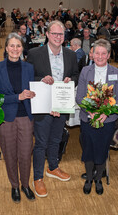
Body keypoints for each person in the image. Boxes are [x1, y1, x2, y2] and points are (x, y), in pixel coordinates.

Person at [27, 20, 79, 197]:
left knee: (56, 138)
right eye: (55, 33)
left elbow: (76, 75)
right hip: (43, 103)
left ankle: (53, 167)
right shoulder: (34, 53)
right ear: (47, 34)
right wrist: (41, 79)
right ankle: (38, 177)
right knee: (41, 142)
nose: (58, 37)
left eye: (61, 34)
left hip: (62, 101)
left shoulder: (71, 55)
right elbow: (28, 76)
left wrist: (70, 81)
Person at [0, 33, 36, 203]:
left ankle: (25, 185)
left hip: (26, 117)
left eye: (18, 46)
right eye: (12, 45)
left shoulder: (29, 68)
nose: (15, 49)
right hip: (5, 119)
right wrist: (18, 97)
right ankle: (15, 186)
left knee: (25, 154)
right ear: (6, 48)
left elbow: (33, 91)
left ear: (22, 49)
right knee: (10, 154)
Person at [76, 39, 118, 195]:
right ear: (92, 54)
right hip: (88, 119)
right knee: (88, 150)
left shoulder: (116, 72)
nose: (100, 56)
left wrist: (105, 113)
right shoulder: (85, 71)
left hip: (107, 120)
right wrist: (90, 112)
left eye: (104, 53)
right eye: (97, 53)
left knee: (102, 150)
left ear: (109, 55)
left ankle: (98, 180)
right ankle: (89, 178)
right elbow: (79, 96)